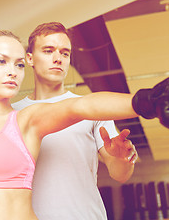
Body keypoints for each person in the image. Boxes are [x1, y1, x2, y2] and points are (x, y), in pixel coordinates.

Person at [0, 29, 169, 220]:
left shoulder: (26, 120)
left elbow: (81, 106)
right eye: (1, 61)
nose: (12, 72)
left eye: (18, 65)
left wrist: (147, 100)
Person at [11, 22, 138, 220]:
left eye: (64, 53)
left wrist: (123, 159)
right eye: (48, 51)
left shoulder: (93, 109)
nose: (57, 59)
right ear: (30, 58)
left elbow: (120, 174)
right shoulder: (12, 114)